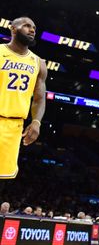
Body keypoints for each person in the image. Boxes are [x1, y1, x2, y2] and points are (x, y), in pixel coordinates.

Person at [0, 17, 47, 186]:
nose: (32, 29)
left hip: (14, 126)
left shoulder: (38, 63)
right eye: (26, 26)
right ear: (13, 28)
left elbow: (40, 98)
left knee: (3, 179)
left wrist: (36, 122)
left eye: (34, 27)